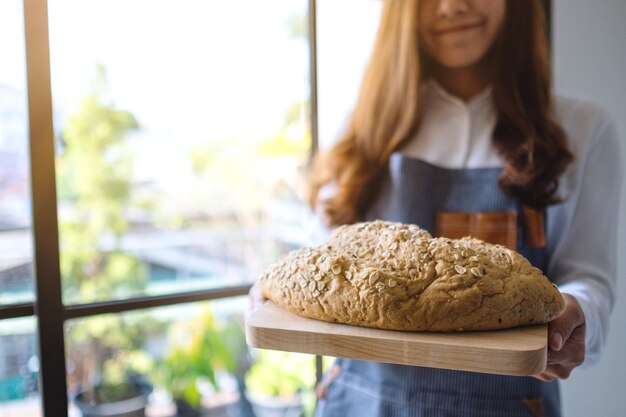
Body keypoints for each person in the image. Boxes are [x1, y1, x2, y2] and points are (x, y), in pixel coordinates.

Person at [250, 0, 623, 416]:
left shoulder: (582, 129)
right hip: (360, 402)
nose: (450, 7)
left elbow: (587, 279)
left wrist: (575, 316)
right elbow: (323, 267)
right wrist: (273, 297)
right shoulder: (363, 128)